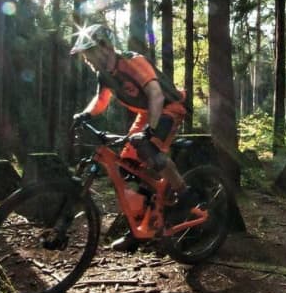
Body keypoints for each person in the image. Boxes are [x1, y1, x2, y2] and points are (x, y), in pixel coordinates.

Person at [70, 23, 200, 250]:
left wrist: (150, 131)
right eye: (84, 56)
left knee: (150, 150)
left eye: (89, 53)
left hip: (169, 106)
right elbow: (101, 101)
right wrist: (85, 114)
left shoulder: (132, 62)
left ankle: (185, 194)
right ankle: (141, 228)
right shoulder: (105, 75)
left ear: (105, 47)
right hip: (147, 112)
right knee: (129, 166)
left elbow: (157, 95)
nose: (87, 60)